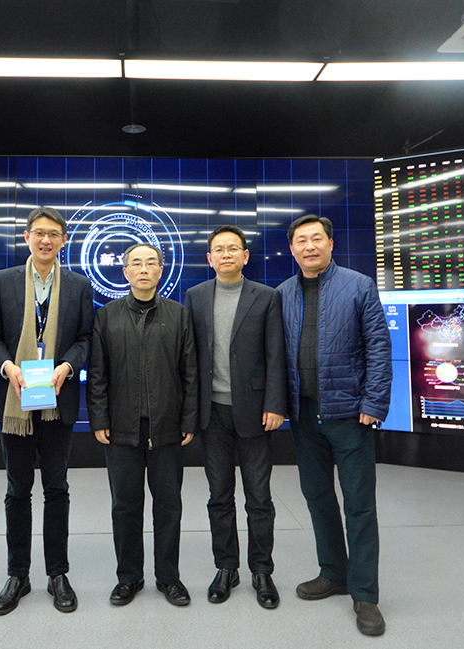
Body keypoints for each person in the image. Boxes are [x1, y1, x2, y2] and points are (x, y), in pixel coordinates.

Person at [276, 214, 392, 636]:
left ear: (330, 243)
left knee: (359, 505)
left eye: (316, 239)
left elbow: (378, 345)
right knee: (318, 497)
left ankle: (365, 594)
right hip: (304, 415)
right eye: (301, 241)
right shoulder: (283, 293)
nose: (309, 246)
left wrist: (374, 402)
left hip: (350, 415)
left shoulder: (358, 286)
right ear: (292, 249)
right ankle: (334, 572)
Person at [0, 207, 94, 615]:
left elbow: (85, 338)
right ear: (27, 237)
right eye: (39, 233)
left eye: (53, 234)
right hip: (16, 399)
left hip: (57, 401)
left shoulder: (79, 285)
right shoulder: (3, 281)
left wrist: (67, 366)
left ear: (63, 240)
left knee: (56, 489)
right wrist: (7, 366)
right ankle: (18, 575)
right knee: (17, 491)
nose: (46, 240)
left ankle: (57, 574)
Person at [87, 243, 198, 608]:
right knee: (125, 507)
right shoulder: (107, 316)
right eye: (136, 263)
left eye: (151, 263)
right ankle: (128, 578)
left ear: (161, 270)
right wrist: (99, 418)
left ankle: (169, 578)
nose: (144, 269)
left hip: (167, 429)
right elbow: (98, 374)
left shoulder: (179, 315)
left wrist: (188, 419)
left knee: (168, 507)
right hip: (121, 430)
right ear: (126, 272)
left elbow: (190, 373)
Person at [184, 225, 286, 609]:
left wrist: (275, 404)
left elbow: (276, 354)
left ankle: (262, 570)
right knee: (219, 496)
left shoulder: (267, 297)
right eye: (218, 249)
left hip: (256, 412)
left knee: (259, 498)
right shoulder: (195, 296)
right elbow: (190, 359)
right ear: (209, 258)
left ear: (245, 256)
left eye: (233, 248)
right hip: (212, 413)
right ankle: (226, 567)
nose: (225, 254)